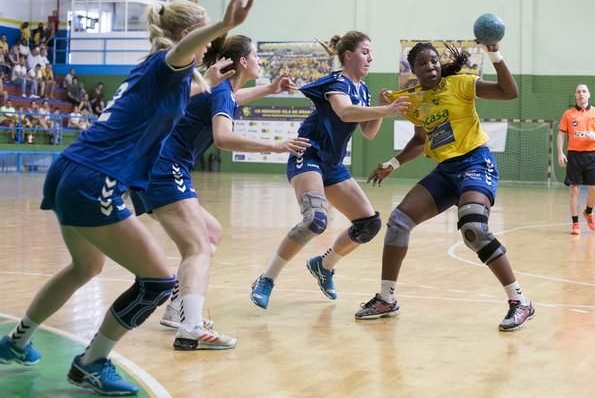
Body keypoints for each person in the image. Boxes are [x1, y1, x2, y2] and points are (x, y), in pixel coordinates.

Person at [0, 0, 255, 396]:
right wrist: (225, 22)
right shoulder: (167, 61)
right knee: (155, 282)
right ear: (184, 34)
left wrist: (207, 79)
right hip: (94, 179)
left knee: (86, 268)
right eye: (205, 29)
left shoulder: (159, 73)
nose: (214, 38)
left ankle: (17, 340)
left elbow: (179, 93)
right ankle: (91, 363)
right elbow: (180, 56)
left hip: (71, 168)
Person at [134, 34, 310, 350]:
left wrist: (270, 89)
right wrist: (275, 145)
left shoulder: (221, 91)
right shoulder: (221, 93)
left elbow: (232, 99)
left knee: (210, 233)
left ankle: (178, 309)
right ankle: (191, 326)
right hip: (164, 168)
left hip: (156, 166)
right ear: (243, 61)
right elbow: (223, 138)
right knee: (199, 247)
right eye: (255, 55)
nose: (259, 60)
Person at [354, 41, 535, 332]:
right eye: (423, 64)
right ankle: (386, 299)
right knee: (399, 221)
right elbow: (420, 140)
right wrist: (393, 164)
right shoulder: (413, 101)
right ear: (413, 70)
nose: (431, 66)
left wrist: (494, 52)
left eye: (434, 61)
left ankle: (520, 301)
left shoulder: (461, 83)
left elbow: (509, 92)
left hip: (476, 164)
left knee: (473, 228)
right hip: (446, 172)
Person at [249, 31, 411, 309]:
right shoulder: (337, 82)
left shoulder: (363, 88)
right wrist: (386, 111)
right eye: (365, 52)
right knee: (315, 219)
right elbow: (345, 113)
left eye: (371, 53)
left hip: (332, 165)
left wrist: (382, 108)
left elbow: (369, 133)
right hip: (308, 154)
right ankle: (266, 279)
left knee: (368, 224)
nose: (370, 57)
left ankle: (324, 266)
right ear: (348, 55)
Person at [557, 84, 595, 235]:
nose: (581, 94)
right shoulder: (568, 114)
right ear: (575, 95)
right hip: (574, 155)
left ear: (589, 94)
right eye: (579, 92)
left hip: (592, 155)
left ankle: (588, 212)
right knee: (574, 189)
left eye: (584, 91)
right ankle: (575, 224)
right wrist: (560, 153)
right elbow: (561, 134)